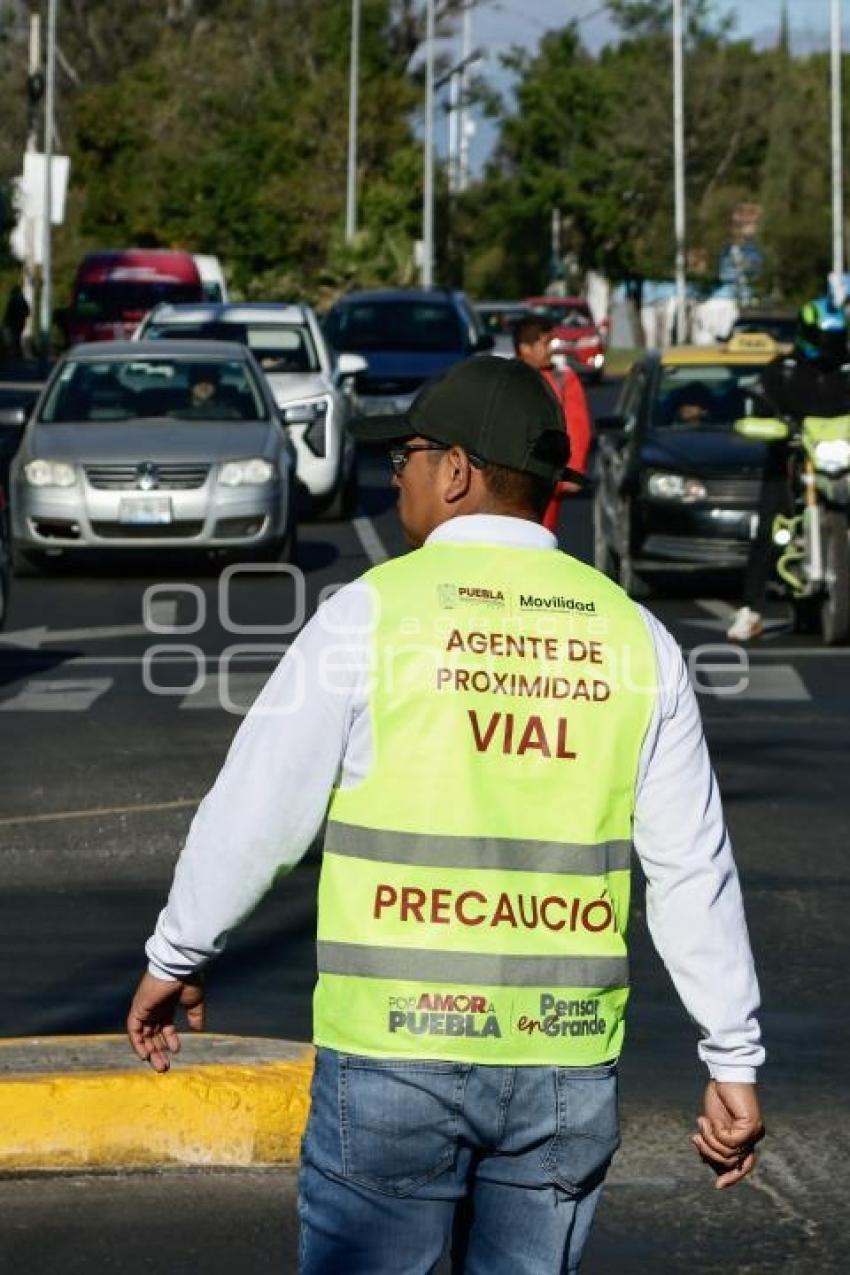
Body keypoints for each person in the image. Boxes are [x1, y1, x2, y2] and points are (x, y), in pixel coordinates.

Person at [128, 357, 764, 1274]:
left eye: (408, 459)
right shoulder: (637, 638)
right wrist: (731, 1056)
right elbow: (691, 866)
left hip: (393, 1053)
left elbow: (255, 811)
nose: (397, 480)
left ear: (458, 472)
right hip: (564, 1061)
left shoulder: (370, 616)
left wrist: (175, 954)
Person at [727, 297, 850, 641]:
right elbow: (764, 405)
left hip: (841, 460)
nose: (831, 345)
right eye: (825, 337)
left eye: (837, 337)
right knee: (769, 528)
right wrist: (774, 424)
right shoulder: (782, 369)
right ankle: (750, 611)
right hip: (791, 461)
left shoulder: (847, 370)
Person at [514, 315, 593, 533]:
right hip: (506, 477)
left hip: (546, 478)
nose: (551, 349)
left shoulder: (563, 379)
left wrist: (573, 470)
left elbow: (577, 427)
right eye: (545, 343)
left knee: (539, 538)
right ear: (525, 348)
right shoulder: (505, 378)